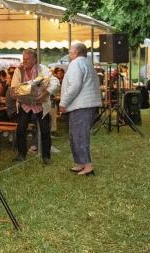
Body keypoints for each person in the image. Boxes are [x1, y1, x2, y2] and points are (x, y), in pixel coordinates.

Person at [59, 43, 101, 176]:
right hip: (84, 104)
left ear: (76, 52)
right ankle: (80, 163)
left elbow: (75, 85)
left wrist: (63, 102)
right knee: (75, 135)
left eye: (70, 52)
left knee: (79, 136)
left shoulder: (76, 63)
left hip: (81, 105)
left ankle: (87, 165)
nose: (69, 54)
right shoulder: (87, 63)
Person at [9, 49, 58, 165]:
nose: (24, 61)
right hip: (25, 104)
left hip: (40, 104)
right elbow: (14, 87)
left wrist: (45, 93)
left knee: (45, 130)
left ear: (34, 60)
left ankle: (46, 156)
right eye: (23, 58)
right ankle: (21, 154)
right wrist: (25, 90)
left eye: (27, 59)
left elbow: (55, 82)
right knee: (21, 129)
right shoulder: (18, 70)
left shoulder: (43, 69)